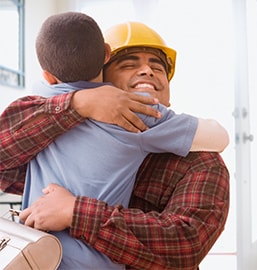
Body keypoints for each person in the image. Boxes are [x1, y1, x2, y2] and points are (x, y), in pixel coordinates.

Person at [0, 19, 230, 270]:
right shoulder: (61, 136)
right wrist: (78, 104)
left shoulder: (202, 164)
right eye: (129, 64)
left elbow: (186, 244)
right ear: (103, 79)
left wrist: (76, 212)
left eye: (158, 67)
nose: (146, 71)